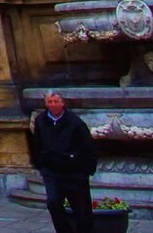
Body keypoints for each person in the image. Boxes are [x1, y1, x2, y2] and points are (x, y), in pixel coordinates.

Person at [30, 91, 97, 233]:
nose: (53, 105)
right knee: (53, 202)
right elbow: (37, 144)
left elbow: (88, 146)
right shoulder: (40, 121)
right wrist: (41, 164)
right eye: (50, 102)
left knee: (82, 212)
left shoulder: (75, 122)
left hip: (74, 173)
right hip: (52, 171)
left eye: (55, 101)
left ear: (62, 103)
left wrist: (86, 171)